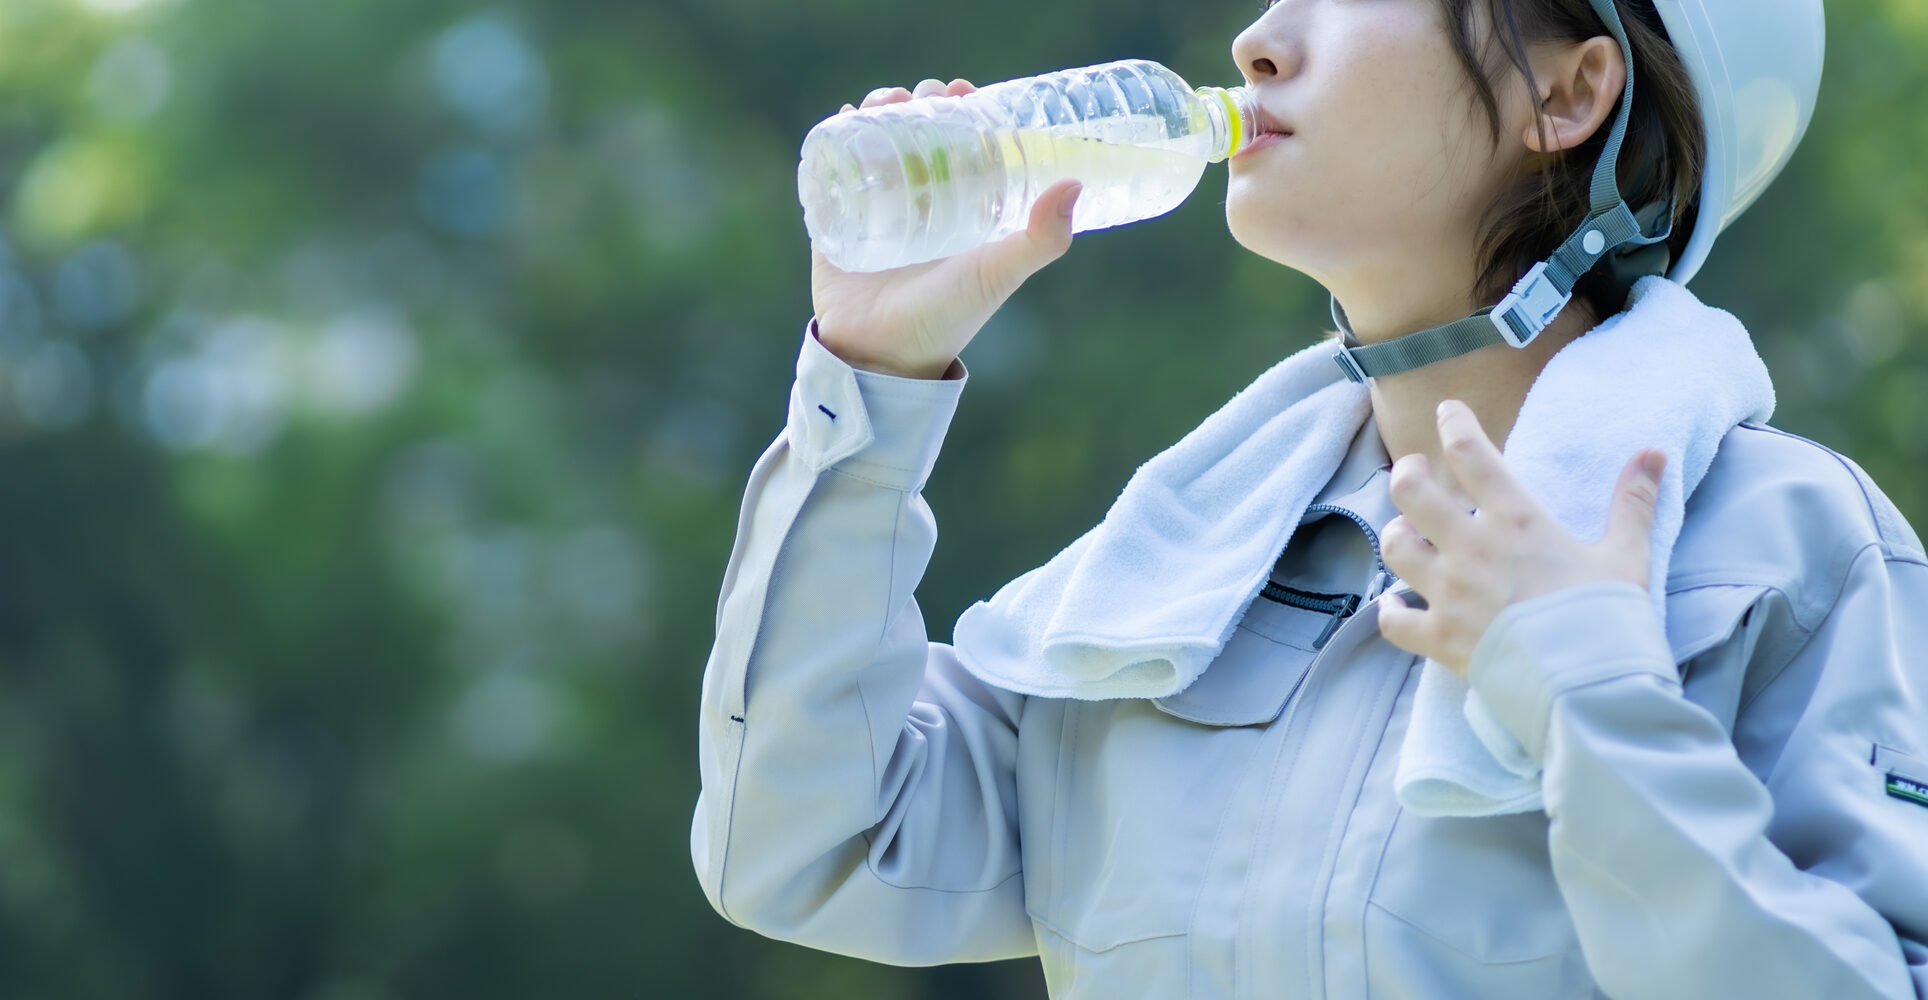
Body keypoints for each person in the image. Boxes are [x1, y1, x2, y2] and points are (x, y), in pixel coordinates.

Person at [691, 0, 1928, 996]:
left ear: (1566, 92)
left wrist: (1587, 696)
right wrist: (866, 384)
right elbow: (798, 849)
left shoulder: (1785, 552)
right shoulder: (1157, 588)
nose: (1255, 42)